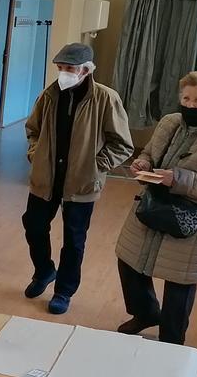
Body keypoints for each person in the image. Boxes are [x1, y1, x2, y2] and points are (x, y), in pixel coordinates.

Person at [115, 71, 197, 345]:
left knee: (180, 282)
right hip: (155, 205)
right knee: (129, 262)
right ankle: (146, 313)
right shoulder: (169, 122)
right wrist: (143, 164)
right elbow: (150, 153)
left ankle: (171, 340)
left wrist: (179, 178)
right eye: (186, 98)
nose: (190, 105)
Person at [22, 43, 133, 314]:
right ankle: (44, 271)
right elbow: (32, 130)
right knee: (34, 226)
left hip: (81, 182)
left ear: (86, 70)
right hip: (46, 177)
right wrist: (36, 155)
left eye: (69, 69)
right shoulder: (48, 96)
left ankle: (64, 290)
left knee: (74, 239)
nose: (63, 74)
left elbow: (123, 144)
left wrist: (97, 165)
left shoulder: (106, 99)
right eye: (60, 68)